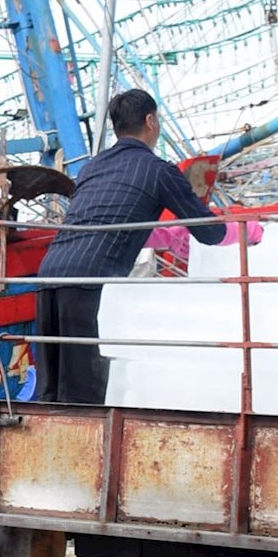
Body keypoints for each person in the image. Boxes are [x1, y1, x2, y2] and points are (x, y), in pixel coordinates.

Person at [34, 88, 226, 403]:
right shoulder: (158, 170)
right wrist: (244, 233)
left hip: (49, 277)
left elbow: (104, 219)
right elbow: (209, 233)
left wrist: (160, 234)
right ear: (150, 121)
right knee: (87, 391)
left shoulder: (92, 168)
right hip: (90, 283)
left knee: (51, 389)